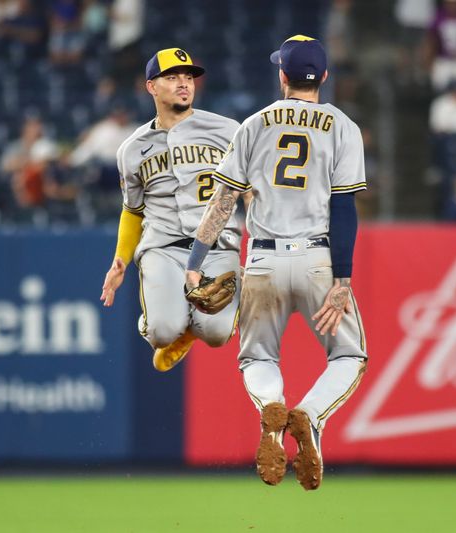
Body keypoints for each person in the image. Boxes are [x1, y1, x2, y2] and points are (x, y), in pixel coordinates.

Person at [184, 36, 368, 491]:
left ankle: (273, 409)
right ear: (323, 76)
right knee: (349, 355)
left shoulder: (254, 124)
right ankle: (308, 415)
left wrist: (196, 259)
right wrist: (342, 280)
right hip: (318, 259)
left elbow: (225, 200)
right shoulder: (343, 126)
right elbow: (344, 208)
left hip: (263, 259)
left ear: (282, 76)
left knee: (258, 357)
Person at [99, 48, 243, 372]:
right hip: (164, 248)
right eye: (173, 77)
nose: (184, 84)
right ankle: (163, 325)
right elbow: (133, 210)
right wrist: (119, 260)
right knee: (162, 332)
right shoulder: (132, 149)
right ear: (151, 86)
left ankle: (190, 332)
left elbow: (252, 191)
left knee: (218, 334)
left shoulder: (228, 131)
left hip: (218, 246)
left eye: (189, 77)